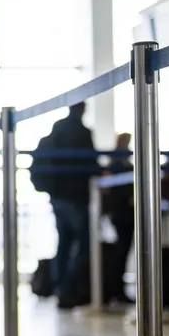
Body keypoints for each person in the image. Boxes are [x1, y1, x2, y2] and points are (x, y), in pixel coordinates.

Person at [36, 103, 98, 309]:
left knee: (63, 243)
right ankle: (69, 288)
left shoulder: (57, 130)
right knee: (84, 244)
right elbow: (92, 163)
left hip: (57, 197)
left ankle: (61, 287)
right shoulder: (82, 132)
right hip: (76, 197)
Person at [104, 133, 134, 305]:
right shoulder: (118, 166)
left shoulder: (117, 164)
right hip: (122, 214)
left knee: (123, 251)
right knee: (121, 251)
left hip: (123, 213)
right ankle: (116, 290)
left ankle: (117, 289)